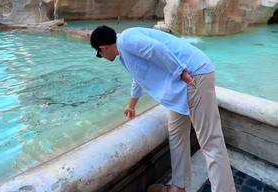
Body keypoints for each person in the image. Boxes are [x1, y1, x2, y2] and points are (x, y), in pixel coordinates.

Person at [90, 26, 235, 192]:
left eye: (99, 53)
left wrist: (179, 72)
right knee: (176, 133)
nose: (101, 56)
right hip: (182, 86)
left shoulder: (126, 39)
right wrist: (132, 105)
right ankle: (178, 187)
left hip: (194, 76)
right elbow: (138, 77)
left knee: (211, 142)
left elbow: (156, 49)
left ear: (102, 48)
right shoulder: (125, 50)